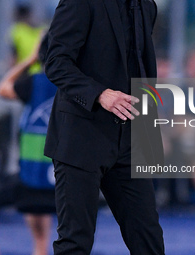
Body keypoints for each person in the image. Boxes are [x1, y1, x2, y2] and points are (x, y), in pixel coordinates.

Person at [44, 0, 165, 254]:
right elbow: (55, 61)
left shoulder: (147, 6)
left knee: (148, 238)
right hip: (81, 137)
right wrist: (100, 94)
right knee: (75, 242)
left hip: (129, 138)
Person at [0, 35, 57, 255]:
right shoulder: (82, 86)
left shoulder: (34, 83)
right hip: (68, 192)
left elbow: (3, 88)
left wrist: (29, 60)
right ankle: (41, 249)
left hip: (30, 188)